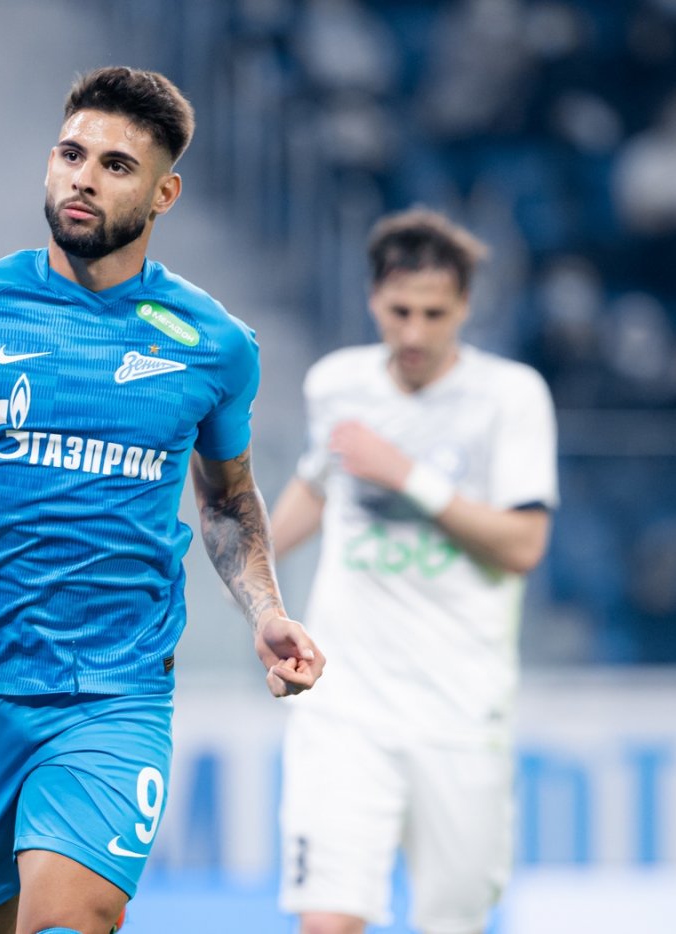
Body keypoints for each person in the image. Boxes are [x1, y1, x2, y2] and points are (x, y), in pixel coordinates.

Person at [0, 66, 324, 934]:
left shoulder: (215, 344)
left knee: (69, 922)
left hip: (115, 691)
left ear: (164, 194)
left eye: (116, 165)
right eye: (71, 154)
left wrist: (265, 610)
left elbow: (227, 501)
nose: (83, 178)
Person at [271, 207, 557, 934]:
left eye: (434, 314)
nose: (415, 334)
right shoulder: (337, 383)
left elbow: (523, 545)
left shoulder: (511, 396)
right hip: (346, 708)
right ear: (374, 299)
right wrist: (242, 569)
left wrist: (407, 475)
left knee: (452, 923)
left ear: (464, 307)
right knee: (326, 920)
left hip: (460, 713)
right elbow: (317, 486)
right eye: (400, 311)